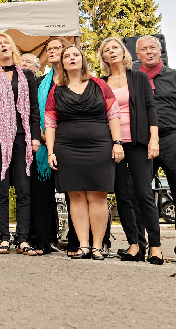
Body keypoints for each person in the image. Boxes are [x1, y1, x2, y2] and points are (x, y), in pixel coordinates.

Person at [45, 45, 124, 260]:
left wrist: (117, 143)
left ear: (83, 60)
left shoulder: (99, 84)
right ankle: (83, 245)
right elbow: (50, 122)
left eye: (76, 55)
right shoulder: (56, 90)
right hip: (67, 148)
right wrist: (51, 151)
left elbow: (113, 114)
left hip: (99, 146)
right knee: (76, 195)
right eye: (67, 56)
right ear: (62, 63)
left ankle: (98, 246)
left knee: (98, 195)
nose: (72, 58)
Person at [136, 35, 176, 266]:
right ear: (138, 55)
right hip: (144, 143)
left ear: (160, 51)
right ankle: (142, 246)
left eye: (153, 47)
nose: (149, 52)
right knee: (140, 193)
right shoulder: (134, 79)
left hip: (173, 138)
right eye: (144, 49)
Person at [98, 37, 163, 264]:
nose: (111, 51)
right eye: (107, 49)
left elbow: (150, 109)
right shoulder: (101, 83)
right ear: (103, 57)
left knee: (144, 194)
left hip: (138, 142)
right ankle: (134, 244)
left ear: (123, 52)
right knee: (123, 196)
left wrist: (154, 139)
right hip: (113, 145)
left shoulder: (138, 78)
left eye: (115, 47)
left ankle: (155, 246)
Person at [0, 34, 40, 255]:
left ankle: (22, 239)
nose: (3, 46)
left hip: (22, 137)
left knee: (24, 190)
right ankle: (4, 237)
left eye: (6, 43)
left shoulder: (27, 75)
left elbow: (34, 109)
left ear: (12, 48)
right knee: (1, 190)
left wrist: (34, 137)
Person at [31, 38, 69, 255]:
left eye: (58, 48)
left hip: (68, 143)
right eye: (50, 49)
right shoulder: (40, 82)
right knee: (41, 196)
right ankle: (43, 242)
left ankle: (77, 242)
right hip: (43, 146)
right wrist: (41, 135)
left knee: (74, 195)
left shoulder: (74, 79)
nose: (53, 51)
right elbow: (34, 112)